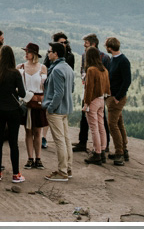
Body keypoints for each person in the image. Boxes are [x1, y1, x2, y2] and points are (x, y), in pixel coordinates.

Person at [0, 44, 27, 182]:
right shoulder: (15, 73)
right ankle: (16, 174)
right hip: (13, 110)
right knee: (13, 143)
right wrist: (12, 91)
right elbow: (22, 93)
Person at [42, 43, 74, 182]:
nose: (48, 54)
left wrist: (50, 108)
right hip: (65, 109)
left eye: (49, 52)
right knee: (66, 139)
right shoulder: (68, 68)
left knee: (60, 141)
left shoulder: (57, 70)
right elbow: (70, 89)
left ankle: (62, 172)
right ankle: (68, 168)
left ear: (55, 54)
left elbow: (58, 93)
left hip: (56, 110)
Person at [104, 36, 131, 163]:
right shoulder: (113, 59)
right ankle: (124, 150)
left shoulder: (123, 61)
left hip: (117, 98)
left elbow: (127, 81)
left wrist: (117, 97)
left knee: (112, 125)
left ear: (110, 47)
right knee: (119, 123)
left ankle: (119, 153)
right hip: (112, 96)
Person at [20, 43, 48, 169]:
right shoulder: (20, 67)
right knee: (28, 131)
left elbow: (45, 87)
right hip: (26, 102)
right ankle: (30, 158)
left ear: (34, 54)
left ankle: (39, 158)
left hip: (38, 102)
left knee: (38, 131)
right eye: (26, 51)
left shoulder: (42, 68)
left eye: (28, 52)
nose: (26, 54)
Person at [82, 46, 110, 165]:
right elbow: (108, 87)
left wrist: (86, 103)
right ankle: (102, 151)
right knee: (101, 126)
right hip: (101, 100)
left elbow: (89, 89)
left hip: (93, 101)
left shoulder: (91, 70)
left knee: (94, 129)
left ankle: (97, 153)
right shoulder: (104, 69)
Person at [73, 33, 99, 152]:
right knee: (84, 117)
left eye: (86, 43)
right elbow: (82, 69)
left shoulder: (102, 56)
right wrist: (84, 75)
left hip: (97, 93)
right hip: (86, 88)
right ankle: (82, 142)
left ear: (93, 44)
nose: (84, 45)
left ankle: (101, 147)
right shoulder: (84, 55)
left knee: (99, 119)